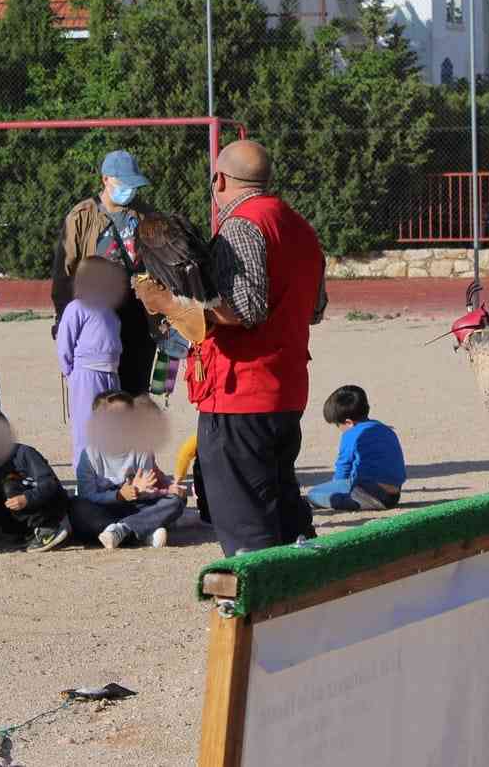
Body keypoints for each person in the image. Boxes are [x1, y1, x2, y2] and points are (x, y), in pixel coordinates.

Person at [135, 139, 327, 557]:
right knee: (285, 518)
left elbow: (246, 309)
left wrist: (169, 303)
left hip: (240, 392)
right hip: (287, 388)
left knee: (246, 530)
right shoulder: (301, 227)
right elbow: (315, 310)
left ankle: (260, 617)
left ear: (219, 179)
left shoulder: (242, 225)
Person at [50, 150, 156, 396]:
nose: (130, 190)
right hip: (98, 319)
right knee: (101, 396)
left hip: (138, 316)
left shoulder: (145, 215)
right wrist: (63, 319)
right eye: (124, 183)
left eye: (134, 184)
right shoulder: (81, 216)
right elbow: (64, 273)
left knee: (136, 393)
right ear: (105, 179)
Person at [70, 391, 186, 549]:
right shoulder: (89, 455)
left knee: (176, 500)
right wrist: (119, 495)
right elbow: (87, 494)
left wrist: (164, 490)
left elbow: (149, 487)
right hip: (104, 510)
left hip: (137, 507)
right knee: (77, 507)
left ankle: (124, 529)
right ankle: (143, 532)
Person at [0, 402, 71, 552]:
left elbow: (50, 485)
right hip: (20, 519)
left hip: (50, 509)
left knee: (9, 484)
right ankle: (18, 534)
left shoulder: (24, 453)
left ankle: (49, 528)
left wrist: (27, 499)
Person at [56, 256, 125, 464]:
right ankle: (84, 477)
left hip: (111, 374)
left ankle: (107, 474)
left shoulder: (110, 311)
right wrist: (71, 372)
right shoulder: (76, 307)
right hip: (87, 373)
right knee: (86, 426)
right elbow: (64, 343)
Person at [306, 385, 406, 513]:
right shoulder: (384, 429)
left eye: (338, 425)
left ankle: (357, 501)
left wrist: (337, 487)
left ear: (348, 422)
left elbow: (344, 467)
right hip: (394, 495)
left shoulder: (351, 434)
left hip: (370, 493)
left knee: (314, 494)